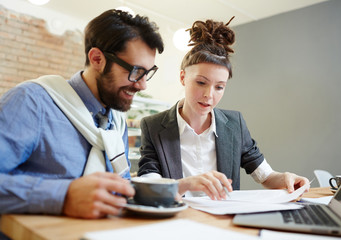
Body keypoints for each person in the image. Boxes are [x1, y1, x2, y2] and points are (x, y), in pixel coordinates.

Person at [0, 9, 164, 219]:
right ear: (97, 59)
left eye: (147, 74)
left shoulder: (117, 123)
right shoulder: (31, 102)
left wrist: (172, 189)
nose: (142, 85)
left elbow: (118, 187)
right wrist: (63, 196)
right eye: (135, 72)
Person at [137, 18, 309, 200]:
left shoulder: (234, 124)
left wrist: (286, 178)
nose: (209, 95)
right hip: (178, 218)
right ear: (183, 77)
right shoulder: (153, 126)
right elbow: (148, 181)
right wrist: (185, 184)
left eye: (219, 87)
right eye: (201, 82)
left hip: (222, 220)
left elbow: (265, 176)